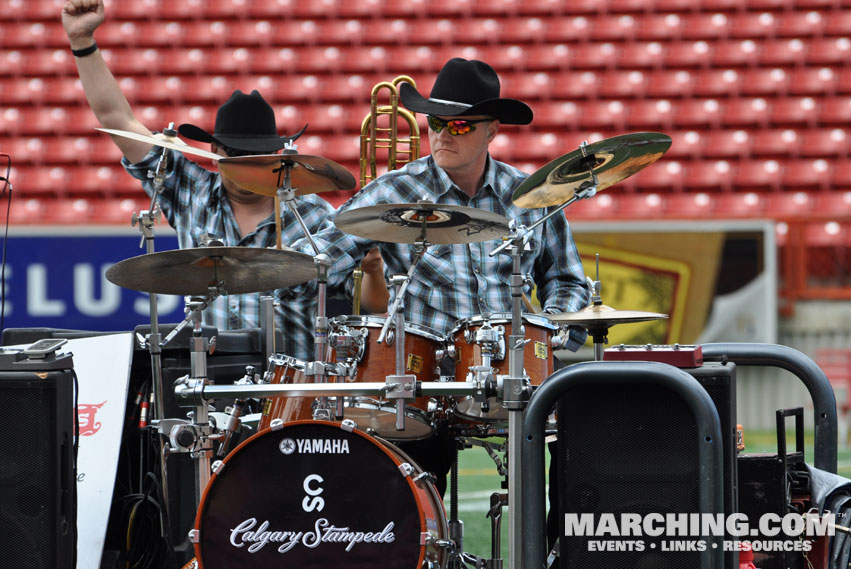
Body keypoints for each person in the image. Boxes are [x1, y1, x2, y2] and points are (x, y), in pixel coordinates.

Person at [283, 56, 590, 546]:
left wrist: (548, 331)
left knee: (589, 446)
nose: (444, 134)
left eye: (460, 124)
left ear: (491, 130)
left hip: (516, 374)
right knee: (398, 489)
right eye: (436, 122)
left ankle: (559, 556)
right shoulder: (396, 191)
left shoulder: (531, 195)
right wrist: (283, 264)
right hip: (424, 380)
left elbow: (568, 281)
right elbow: (312, 265)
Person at [60, 0, 387, 361]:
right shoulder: (189, 190)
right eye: (236, 156)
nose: (247, 166)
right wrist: (83, 42)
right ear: (216, 152)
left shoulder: (314, 215)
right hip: (207, 383)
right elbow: (117, 119)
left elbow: (369, 305)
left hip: (290, 391)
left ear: (278, 156)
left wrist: (373, 270)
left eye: (257, 157)